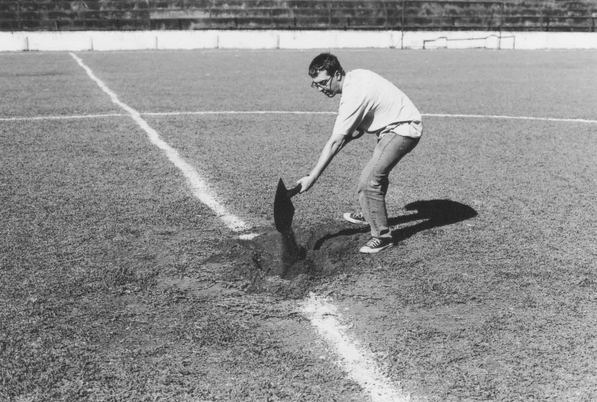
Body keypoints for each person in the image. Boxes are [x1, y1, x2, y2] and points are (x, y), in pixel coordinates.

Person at [296, 53, 423, 254]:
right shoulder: (356, 76)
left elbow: (335, 142)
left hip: (402, 131)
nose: (320, 88)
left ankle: (382, 237)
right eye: (316, 85)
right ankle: (370, 212)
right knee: (376, 174)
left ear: (337, 74)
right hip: (393, 127)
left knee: (369, 181)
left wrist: (313, 177)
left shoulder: (353, 95)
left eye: (323, 82)